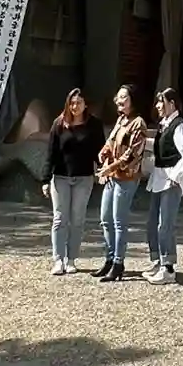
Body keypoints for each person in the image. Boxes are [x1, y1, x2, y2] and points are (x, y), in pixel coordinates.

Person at [41, 89, 105, 276]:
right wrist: (45, 179)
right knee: (60, 218)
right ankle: (58, 259)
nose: (75, 106)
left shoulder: (94, 125)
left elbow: (100, 151)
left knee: (77, 219)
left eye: (78, 102)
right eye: (72, 103)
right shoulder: (59, 123)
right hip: (61, 177)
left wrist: (104, 169)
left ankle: (71, 259)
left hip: (83, 178)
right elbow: (51, 153)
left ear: (85, 104)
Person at [144, 89, 183, 285]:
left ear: (172, 103)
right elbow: (163, 146)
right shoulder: (164, 125)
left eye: (161, 102)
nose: (158, 106)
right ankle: (158, 261)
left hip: (170, 181)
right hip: (158, 179)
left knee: (165, 224)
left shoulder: (179, 126)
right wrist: (142, 142)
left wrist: (176, 176)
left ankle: (168, 268)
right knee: (152, 223)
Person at [95, 85, 148, 282]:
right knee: (105, 219)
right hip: (112, 175)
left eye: (123, 97)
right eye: (118, 97)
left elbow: (132, 155)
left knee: (119, 222)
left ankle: (118, 263)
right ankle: (109, 259)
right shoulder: (121, 120)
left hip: (126, 177)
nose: (119, 100)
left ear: (133, 99)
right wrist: (104, 152)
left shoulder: (138, 123)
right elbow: (111, 141)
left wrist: (111, 167)